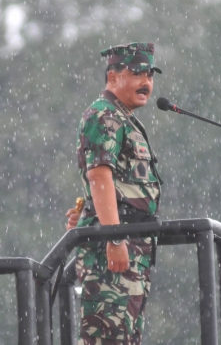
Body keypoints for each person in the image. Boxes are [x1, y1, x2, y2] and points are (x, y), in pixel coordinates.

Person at [65, 42, 164, 345]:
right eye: (137, 73)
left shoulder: (122, 117)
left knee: (125, 337)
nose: (146, 81)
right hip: (114, 248)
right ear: (113, 76)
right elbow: (99, 176)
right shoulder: (104, 114)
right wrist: (114, 237)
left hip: (133, 246)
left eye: (150, 74)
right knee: (108, 337)